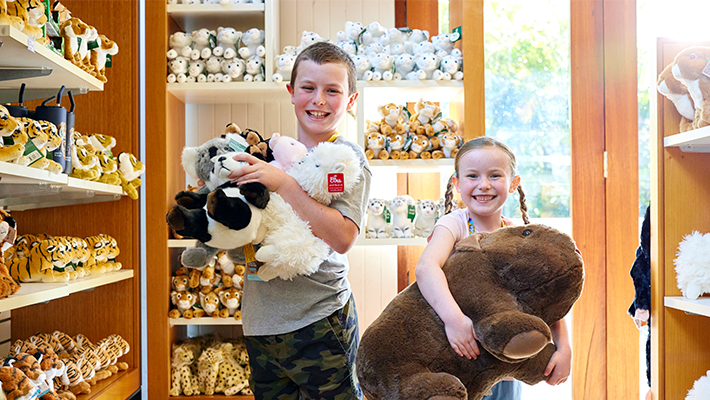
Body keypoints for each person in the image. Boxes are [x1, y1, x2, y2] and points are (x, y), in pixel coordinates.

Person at [227, 41, 371, 399]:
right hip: (261, 323)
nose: (318, 100)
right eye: (308, 88)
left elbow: (342, 237)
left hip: (319, 320)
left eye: (332, 91)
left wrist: (283, 185)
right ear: (291, 93)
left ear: (350, 100)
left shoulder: (343, 163)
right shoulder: (270, 155)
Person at [414, 136, 571, 399]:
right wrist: (455, 321)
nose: (483, 185)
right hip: (460, 360)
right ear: (457, 182)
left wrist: (564, 347)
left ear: (513, 184)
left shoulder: (518, 236)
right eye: (472, 176)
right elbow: (426, 268)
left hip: (505, 371)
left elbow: (545, 295)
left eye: (495, 175)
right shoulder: (454, 225)